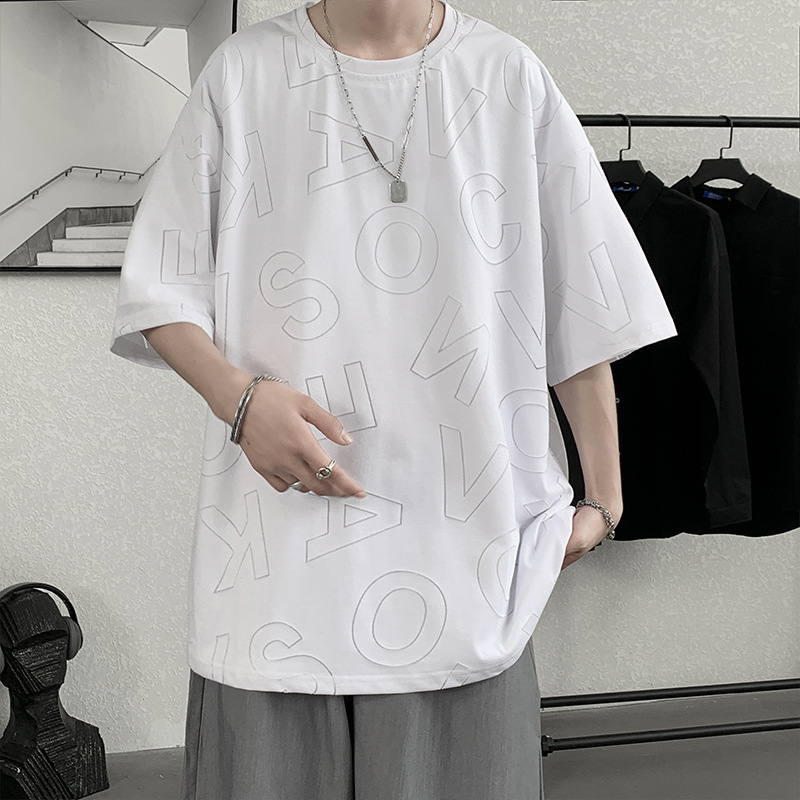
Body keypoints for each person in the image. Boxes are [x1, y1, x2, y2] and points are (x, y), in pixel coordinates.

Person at [110, 0, 678, 797]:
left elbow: (580, 304)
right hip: (276, 562)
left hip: (465, 558)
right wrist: (238, 400)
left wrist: (606, 502)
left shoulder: (506, 75)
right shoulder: (242, 72)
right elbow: (159, 289)